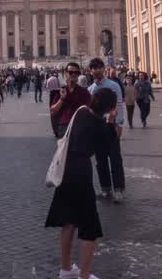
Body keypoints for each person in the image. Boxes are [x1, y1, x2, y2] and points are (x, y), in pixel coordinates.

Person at [46, 87, 116, 279]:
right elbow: (106, 151)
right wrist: (110, 122)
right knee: (89, 225)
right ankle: (84, 275)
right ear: (109, 107)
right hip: (81, 172)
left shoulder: (81, 112)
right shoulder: (100, 125)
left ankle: (66, 268)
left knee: (68, 220)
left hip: (66, 167)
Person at [87, 58, 126, 204]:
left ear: (103, 69)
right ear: (90, 71)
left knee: (115, 159)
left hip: (111, 125)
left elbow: (119, 105)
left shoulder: (113, 85)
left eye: (98, 67)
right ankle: (106, 188)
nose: (96, 70)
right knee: (100, 160)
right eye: (93, 68)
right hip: (97, 128)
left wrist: (120, 124)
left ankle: (119, 190)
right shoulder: (90, 89)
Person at [50, 62, 92, 139]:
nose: (74, 74)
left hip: (80, 127)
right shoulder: (61, 91)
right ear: (66, 73)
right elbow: (53, 111)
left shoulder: (84, 92)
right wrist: (62, 98)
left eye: (76, 72)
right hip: (64, 128)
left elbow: (91, 110)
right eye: (71, 72)